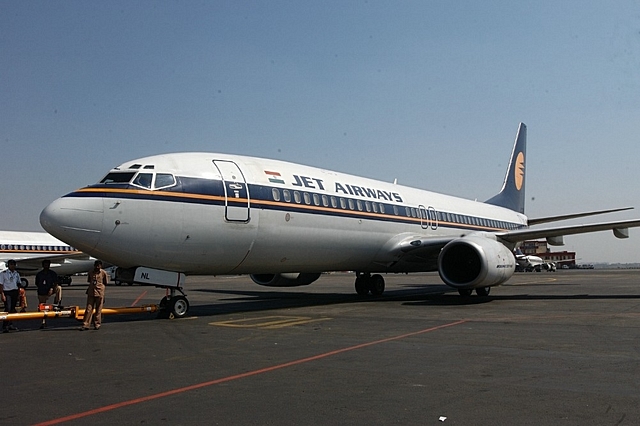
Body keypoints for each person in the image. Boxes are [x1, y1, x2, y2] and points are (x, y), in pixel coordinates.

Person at [81, 260, 108, 330]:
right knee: (88, 309)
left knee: (98, 310)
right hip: (91, 292)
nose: (97, 267)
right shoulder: (90, 272)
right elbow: (89, 281)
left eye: (98, 266)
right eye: (96, 265)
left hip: (99, 292)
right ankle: (86, 324)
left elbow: (105, 282)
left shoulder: (103, 273)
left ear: (101, 266)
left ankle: (97, 324)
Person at [35, 259, 62, 328]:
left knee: (59, 288)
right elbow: (37, 283)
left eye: (48, 264)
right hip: (42, 291)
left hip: (51, 289)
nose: (47, 266)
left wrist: (52, 288)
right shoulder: (39, 274)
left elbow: (56, 282)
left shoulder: (52, 273)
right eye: (45, 264)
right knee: (42, 307)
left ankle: (57, 302)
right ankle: (43, 322)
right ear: (43, 265)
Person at [0, 259, 22, 332]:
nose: (12, 266)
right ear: (8, 265)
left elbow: (18, 284)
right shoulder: (4, 274)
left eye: (14, 265)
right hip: (7, 292)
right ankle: (5, 325)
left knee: (13, 309)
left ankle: (10, 324)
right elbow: (1, 285)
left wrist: (19, 294)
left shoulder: (16, 274)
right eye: (11, 264)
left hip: (14, 292)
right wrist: (2, 294)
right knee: (8, 308)